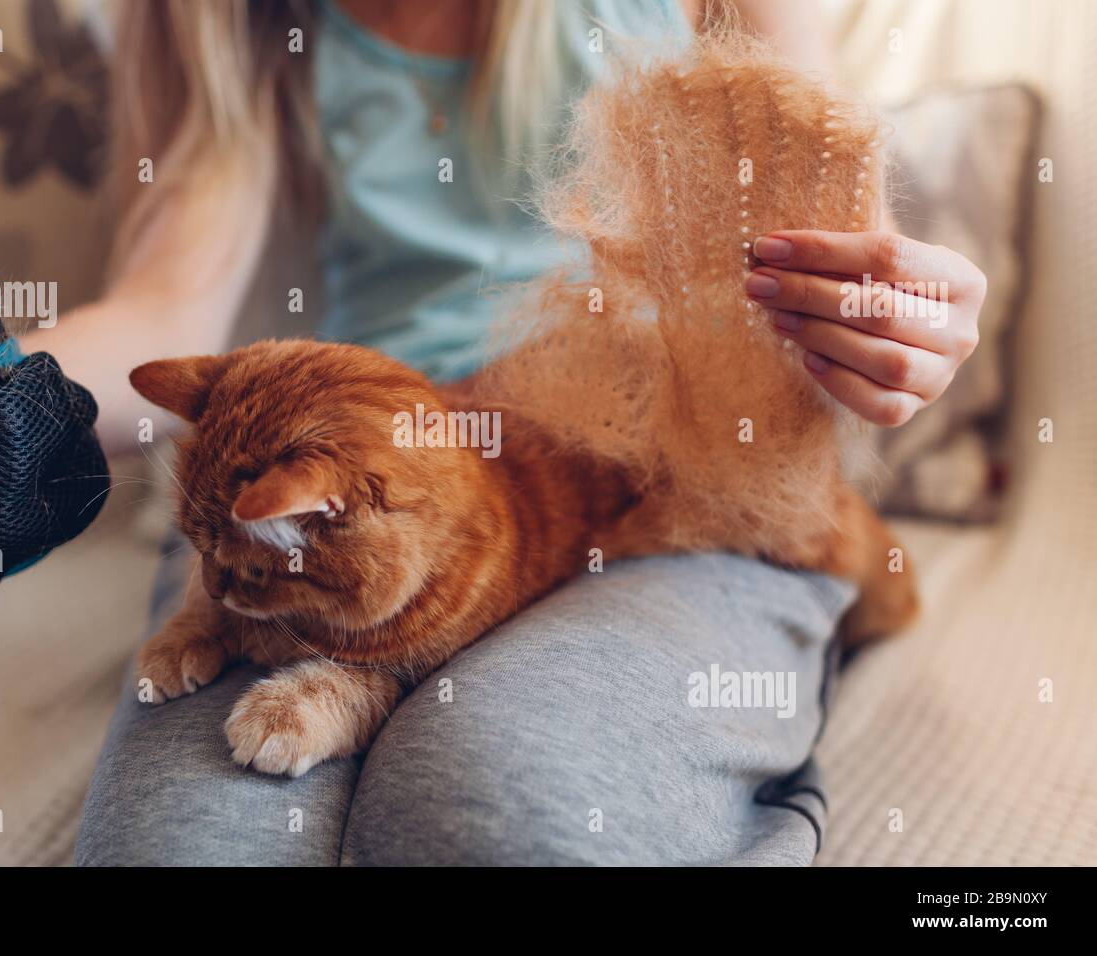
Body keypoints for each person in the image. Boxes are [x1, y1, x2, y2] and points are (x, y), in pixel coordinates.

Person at [66, 0, 987, 865]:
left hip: (668, 478)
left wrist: (888, 320)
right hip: (327, 489)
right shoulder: (228, 18)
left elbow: (826, 202)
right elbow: (160, 316)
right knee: (183, 851)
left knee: (500, 815)